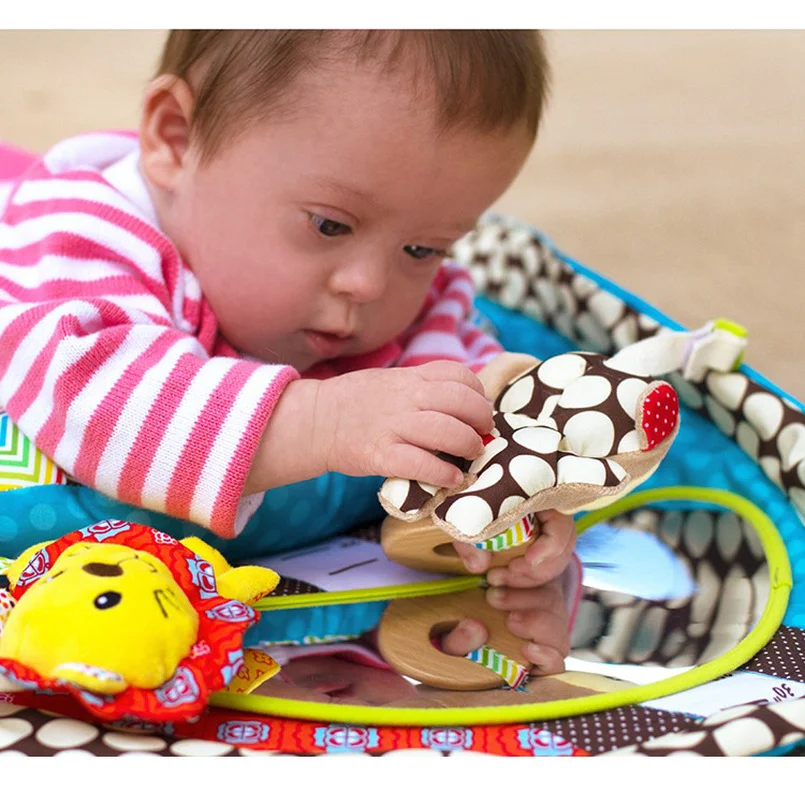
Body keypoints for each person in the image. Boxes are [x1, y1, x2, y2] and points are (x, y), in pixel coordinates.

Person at [0, 31, 576, 671]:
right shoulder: (80, 235)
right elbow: (97, 399)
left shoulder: (408, 293)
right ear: (177, 140)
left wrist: (513, 489)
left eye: (424, 248)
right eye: (330, 224)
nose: (369, 284)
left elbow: (465, 385)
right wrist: (324, 421)